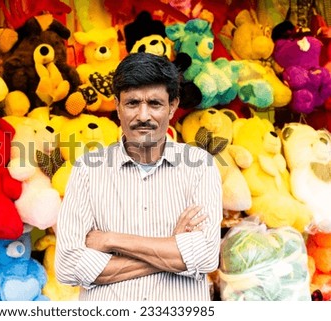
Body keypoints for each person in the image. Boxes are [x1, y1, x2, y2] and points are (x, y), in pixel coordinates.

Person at [55, 52, 223, 301]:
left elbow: (207, 256)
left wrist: (112, 240)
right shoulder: (87, 170)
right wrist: (173, 251)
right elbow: (68, 267)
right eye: (133, 103)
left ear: (173, 106)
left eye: (155, 104)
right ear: (117, 105)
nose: (143, 116)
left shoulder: (200, 166)